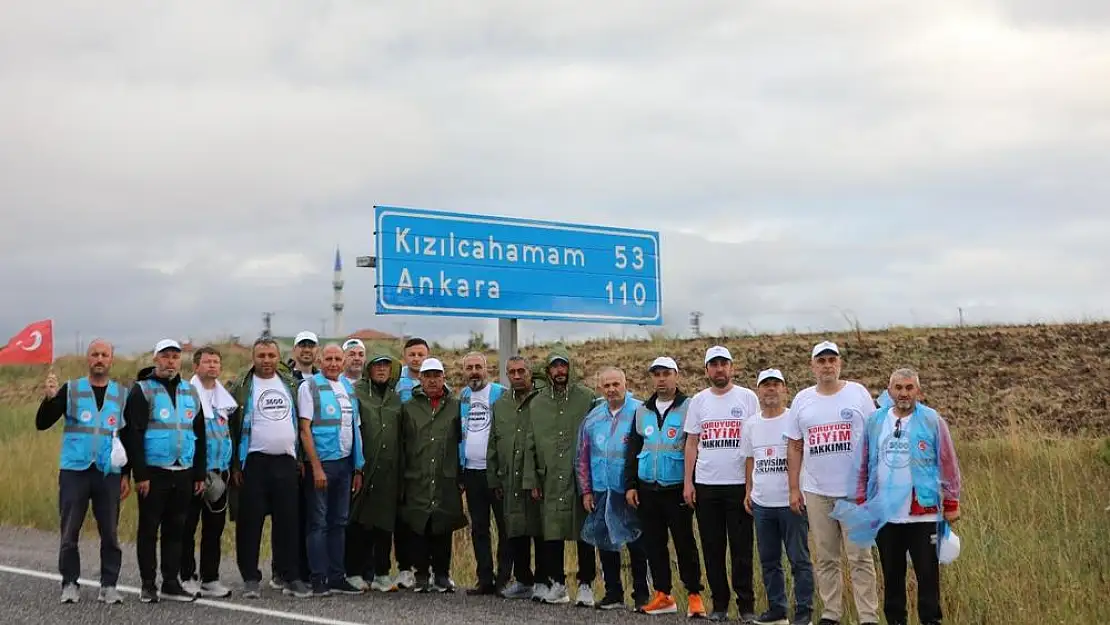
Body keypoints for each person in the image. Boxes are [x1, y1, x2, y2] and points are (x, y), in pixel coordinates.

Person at [831, 368, 962, 625]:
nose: (904, 393)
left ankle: (930, 621)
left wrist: (951, 502)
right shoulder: (876, 421)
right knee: (892, 576)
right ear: (889, 391)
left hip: (923, 513)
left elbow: (948, 463)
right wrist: (861, 500)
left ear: (918, 392)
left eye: (909, 388)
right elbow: (863, 463)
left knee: (927, 575)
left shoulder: (932, 421)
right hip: (884, 514)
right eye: (898, 388)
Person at [784, 341, 879, 625]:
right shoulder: (802, 400)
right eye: (821, 360)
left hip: (854, 493)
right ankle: (831, 614)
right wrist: (793, 488)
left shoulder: (858, 394)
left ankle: (868, 616)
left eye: (831, 360)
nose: (827, 365)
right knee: (826, 558)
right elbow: (794, 446)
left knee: (860, 558)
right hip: (817, 492)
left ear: (839, 364)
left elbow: (875, 439)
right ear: (813, 366)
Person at [35, 339, 129, 605]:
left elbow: (127, 437)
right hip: (75, 470)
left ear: (111, 360)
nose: (99, 359)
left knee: (110, 532)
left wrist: (126, 475)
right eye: (94, 354)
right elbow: (43, 423)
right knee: (70, 530)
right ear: (88, 359)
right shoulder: (72, 390)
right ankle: (69, 583)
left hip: (108, 472)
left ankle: (109, 585)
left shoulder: (121, 394)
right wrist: (50, 399)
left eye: (104, 355)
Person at [121, 338, 207, 603]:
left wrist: (199, 473)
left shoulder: (190, 392)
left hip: (183, 470)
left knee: (176, 529)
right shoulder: (142, 391)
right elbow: (132, 435)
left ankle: (171, 582)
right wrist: (140, 474)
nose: (170, 361)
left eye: (175, 357)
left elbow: (200, 433)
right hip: (154, 473)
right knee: (149, 530)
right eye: (165, 356)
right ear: (155, 359)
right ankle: (148, 584)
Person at [227, 337, 312, 599]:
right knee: (250, 523)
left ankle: (290, 576)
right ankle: (250, 577)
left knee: (288, 523)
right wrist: (235, 465)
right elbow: (232, 428)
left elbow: (298, 423)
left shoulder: (289, 384)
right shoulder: (242, 385)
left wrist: (298, 459)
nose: (266, 361)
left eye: (271, 356)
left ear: (278, 357)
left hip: (285, 462)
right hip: (253, 462)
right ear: (253, 358)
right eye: (261, 356)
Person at [625, 356, 707, 618]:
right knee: (654, 544)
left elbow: (697, 447)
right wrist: (631, 485)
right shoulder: (642, 410)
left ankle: (694, 596)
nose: (661, 379)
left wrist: (691, 483)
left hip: (677, 489)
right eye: (657, 374)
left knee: (685, 543)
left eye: (666, 373)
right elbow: (633, 450)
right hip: (648, 489)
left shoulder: (689, 407)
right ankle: (663, 595)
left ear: (676, 375)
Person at [682, 345, 759, 622]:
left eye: (723, 364)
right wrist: (688, 483)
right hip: (707, 484)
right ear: (706, 370)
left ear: (732, 367)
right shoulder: (699, 401)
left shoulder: (748, 398)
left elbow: (757, 439)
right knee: (713, 548)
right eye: (713, 364)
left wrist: (753, 485)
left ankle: (747, 605)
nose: (719, 369)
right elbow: (691, 443)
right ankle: (720, 605)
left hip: (739, 484)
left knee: (741, 549)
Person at [523, 347, 602, 606]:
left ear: (570, 368)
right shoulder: (537, 403)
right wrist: (532, 480)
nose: (559, 371)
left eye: (563, 365)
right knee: (552, 533)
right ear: (548, 371)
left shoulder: (586, 397)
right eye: (555, 367)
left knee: (584, 533)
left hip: (579, 479)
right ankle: (556, 584)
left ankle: (586, 585)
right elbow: (530, 443)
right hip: (549, 479)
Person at [575, 366, 651, 610]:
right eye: (606, 385)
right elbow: (582, 456)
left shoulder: (640, 411)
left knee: (637, 543)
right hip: (601, 489)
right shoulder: (593, 417)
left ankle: (641, 594)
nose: (611, 389)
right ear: (600, 388)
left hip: (629, 491)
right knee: (606, 542)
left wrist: (637, 486)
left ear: (625, 383)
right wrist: (586, 490)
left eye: (615, 384)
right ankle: (613, 593)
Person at [742, 369, 813, 625]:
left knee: (799, 560)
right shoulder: (751, 423)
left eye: (776, 385)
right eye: (765, 385)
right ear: (758, 390)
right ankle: (777, 609)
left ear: (785, 389)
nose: (770, 389)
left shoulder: (796, 418)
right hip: (762, 504)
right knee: (769, 561)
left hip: (792, 503)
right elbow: (750, 458)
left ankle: (804, 611)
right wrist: (748, 490)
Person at [297, 344, 366, 596]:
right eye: (329, 359)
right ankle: (318, 577)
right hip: (322, 464)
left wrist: (358, 469)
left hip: (345, 464)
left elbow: (354, 429)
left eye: (338, 359)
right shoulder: (310, 387)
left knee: (339, 522)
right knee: (318, 523)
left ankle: (337, 576)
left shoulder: (349, 388)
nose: (334, 363)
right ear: (320, 359)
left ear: (344, 360)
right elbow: (305, 430)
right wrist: (315, 467)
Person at [399, 357, 467, 592]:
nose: (432, 380)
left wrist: (461, 474)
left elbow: (463, 440)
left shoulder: (456, 406)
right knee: (418, 526)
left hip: (445, 475)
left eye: (437, 376)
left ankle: (441, 575)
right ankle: (420, 575)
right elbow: (402, 442)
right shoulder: (408, 408)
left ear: (443, 378)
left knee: (442, 526)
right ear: (420, 379)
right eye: (427, 376)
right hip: (416, 475)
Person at [180, 346, 237, 599]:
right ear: (196, 366)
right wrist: (195, 473)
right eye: (207, 362)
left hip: (220, 472)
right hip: (193, 472)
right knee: (187, 527)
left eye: (216, 362)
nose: (212, 366)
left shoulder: (224, 399)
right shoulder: (187, 395)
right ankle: (185, 575)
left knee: (214, 529)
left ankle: (210, 578)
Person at [487, 355, 545, 600]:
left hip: (536, 480)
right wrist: (494, 479)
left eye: (522, 371)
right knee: (515, 531)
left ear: (530, 373)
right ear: (507, 375)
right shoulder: (500, 405)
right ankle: (523, 580)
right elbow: (493, 442)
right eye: (512, 372)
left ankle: (544, 581)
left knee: (540, 531)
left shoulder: (543, 401)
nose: (517, 376)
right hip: (509, 479)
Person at [349, 353, 404, 592]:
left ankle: (382, 573)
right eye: (377, 365)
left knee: (384, 523)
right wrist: (356, 466)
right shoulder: (357, 393)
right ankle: (353, 571)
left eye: (386, 366)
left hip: (389, 470)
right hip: (364, 467)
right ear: (368, 369)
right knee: (359, 522)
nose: (382, 370)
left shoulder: (395, 398)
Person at [458, 352, 509, 595]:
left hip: (495, 472)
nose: (474, 371)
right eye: (470, 368)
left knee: (504, 526)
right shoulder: (463, 396)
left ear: (487, 369)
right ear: (464, 371)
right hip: (471, 471)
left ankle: (504, 579)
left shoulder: (500, 393)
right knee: (479, 527)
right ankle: (484, 579)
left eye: (478, 367)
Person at [392, 336, 429, 589]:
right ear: (405, 357)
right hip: (401, 456)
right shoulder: (397, 383)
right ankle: (404, 568)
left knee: (424, 515)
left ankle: (424, 569)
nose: (416, 358)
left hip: (426, 458)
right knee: (402, 516)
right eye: (412, 354)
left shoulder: (435, 379)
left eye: (420, 354)